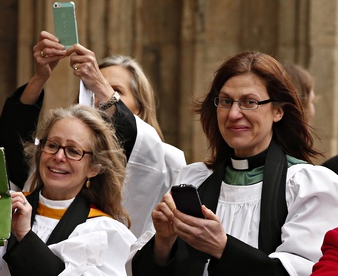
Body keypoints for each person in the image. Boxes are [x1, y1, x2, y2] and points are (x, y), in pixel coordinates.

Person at [127, 51, 338, 276]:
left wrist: (223, 248)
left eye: (250, 102)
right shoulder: (193, 180)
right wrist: (163, 241)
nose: (234, 114)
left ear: (278, 111)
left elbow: (302, 272)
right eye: (226, 101)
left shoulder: (306, 185)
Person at [0, 30, 185, 237]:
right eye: (90, 91)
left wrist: (101, 85)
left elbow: (143, 148)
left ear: (138, 108)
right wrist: (40, 76)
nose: (98, 101)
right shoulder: (54, 153)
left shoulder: (165, 158)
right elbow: (11, 146)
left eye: (116, 91)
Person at [0, 104, 137, 275]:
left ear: (94, 168)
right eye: (52, 145)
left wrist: (25, 235)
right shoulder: (7, 208)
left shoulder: (102, 232)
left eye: (73, 151)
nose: (59, 156)